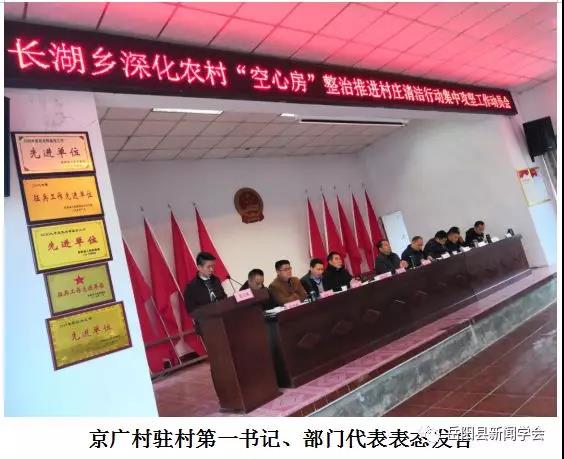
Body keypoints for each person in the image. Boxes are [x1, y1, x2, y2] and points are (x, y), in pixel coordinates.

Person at [184, 252, 227, 335]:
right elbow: (191, 311)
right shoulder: (191, 287)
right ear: (199, 267)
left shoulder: (216, 280)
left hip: (223, 322)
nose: (212, 269)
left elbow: (223, 297)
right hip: (206, 327)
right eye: (209, 267)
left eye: (213, 266)